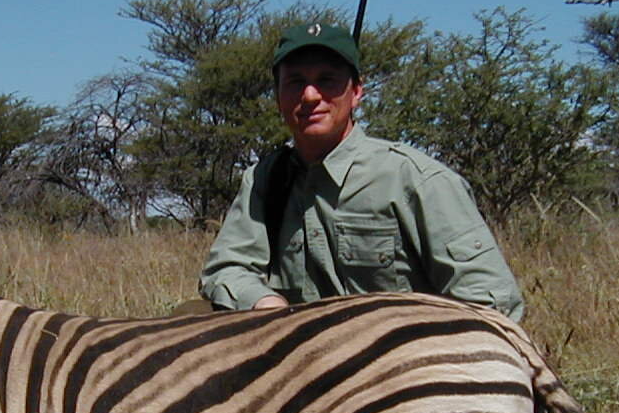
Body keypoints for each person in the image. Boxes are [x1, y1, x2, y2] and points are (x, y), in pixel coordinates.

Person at [199, 21, 524, 319]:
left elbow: (491, 301)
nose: (310, 96)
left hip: (400, 362)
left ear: (356, 92)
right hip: (296, 357)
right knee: (193, 315)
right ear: (278, 96)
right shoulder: (264, 179)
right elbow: (227, 269)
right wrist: (266, 304)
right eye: (295, 82)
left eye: (327, 81)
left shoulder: (417, 180)